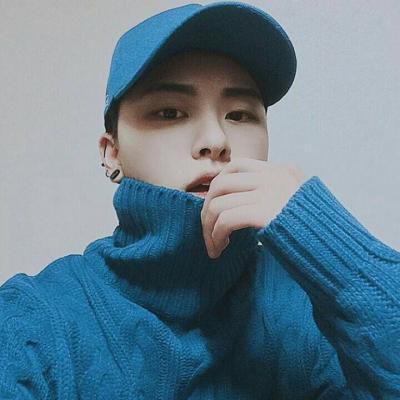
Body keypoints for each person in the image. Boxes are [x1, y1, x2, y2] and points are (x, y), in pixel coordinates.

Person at [1, 2, 399, 399]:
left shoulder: (309, 308)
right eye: (169, 112)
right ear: (111, 153)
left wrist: (327, 238)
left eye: (240, 115)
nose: (216, 140)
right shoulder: (34, 320)